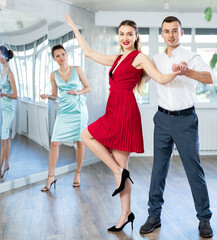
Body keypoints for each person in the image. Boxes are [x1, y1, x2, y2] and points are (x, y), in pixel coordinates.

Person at [65, 14, 184, 232]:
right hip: (113, 109)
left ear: (136, 36)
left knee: (115, 162)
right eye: (122, 34)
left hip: (126, 111)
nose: (125, 38)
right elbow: (89, 53)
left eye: (130, 34)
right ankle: (126, 209)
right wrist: (74, 27)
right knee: (93, 143)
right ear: (118, 37)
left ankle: (123, 212)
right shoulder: (118, 58)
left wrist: (175, 73)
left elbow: (158, 77)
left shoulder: (139, 57)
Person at [139, 16, 217, 238]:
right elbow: (142, 79)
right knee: (158, 170)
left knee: (194, 170)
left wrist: (186, 72)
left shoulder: (191, 56)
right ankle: (154, 216)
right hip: (162, 119)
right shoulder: (154, 58)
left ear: (181, 33)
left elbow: (210, 78)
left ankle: (204, 219)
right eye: (166, 31)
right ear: (161, 34)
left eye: (175, 31)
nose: (171, 35)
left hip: (185, 120)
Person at [40, 44, 91, 191]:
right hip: (64, 111)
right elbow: (55, 96)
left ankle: (78, 173)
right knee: (55, 143)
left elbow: (88, 87)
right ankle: (51, 176)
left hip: (79, 110)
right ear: (54, 59)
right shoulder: (53, 75)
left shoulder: (77, 69)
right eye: (57, 56)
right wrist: (47, 96)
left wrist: (78, 92)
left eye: (63, 54)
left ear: (66, 54)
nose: (61, 58)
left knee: (80, 142)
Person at [0, 46, 17, 179]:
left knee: (3, 138)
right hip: (2, 106)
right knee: (5, 138)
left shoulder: (10, 73)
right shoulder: (2, 70)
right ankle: (6, 164)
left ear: (5, 56)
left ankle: (2, 166)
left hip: (8, 108)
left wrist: (3, 94)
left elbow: (15, 95)